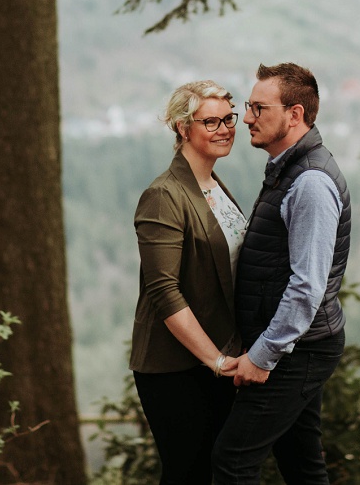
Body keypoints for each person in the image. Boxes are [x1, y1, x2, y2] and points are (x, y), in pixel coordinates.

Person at [214, 63, 350, 485]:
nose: (248, 118)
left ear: (294, 115)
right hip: (298, 346)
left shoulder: (310, 181)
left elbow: (307, 287)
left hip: (296, 351)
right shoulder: (287, 169)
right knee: (302, 465)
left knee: (232, 462)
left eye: (258, 107)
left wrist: (263, 354)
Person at [131, 80, 250, 485]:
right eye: (210, 121)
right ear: (183, 128)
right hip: (175, 366)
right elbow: (164, 292)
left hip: (216, 357)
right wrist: (214, 360)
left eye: (228, 119)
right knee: (188, 474)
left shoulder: (213, 186)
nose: (224, 129)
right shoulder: (164, 195)